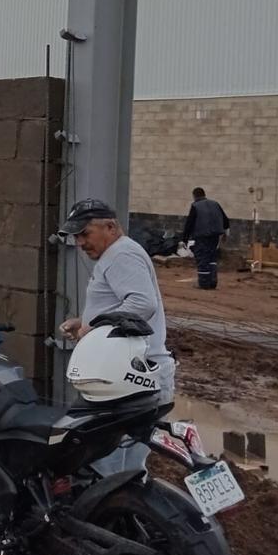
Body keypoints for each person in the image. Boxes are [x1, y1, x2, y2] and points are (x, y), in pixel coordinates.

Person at [57, 198, 174, 474]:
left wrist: (92, 328)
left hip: (132, 380)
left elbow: (142, 304)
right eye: (76, 237)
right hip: (131, 378)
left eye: (85, 234)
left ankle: (119, 514)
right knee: (121, 470)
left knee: (108, 469)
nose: (80, 243)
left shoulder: (121, 255)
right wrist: (84, 322)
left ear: (110, 226)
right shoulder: (118, 254)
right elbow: (121, 306)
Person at [182, 187, 229, 290]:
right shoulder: (215, 204)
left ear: (194, 196)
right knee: (212, 258)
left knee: (202, 258)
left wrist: (184, 238)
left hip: (202, 236)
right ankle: (213, 281)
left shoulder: (195, 206)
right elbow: (225, 220)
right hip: (215, 236)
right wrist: (225, 232)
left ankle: (203, 283)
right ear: (204, 194)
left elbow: (189, 223)